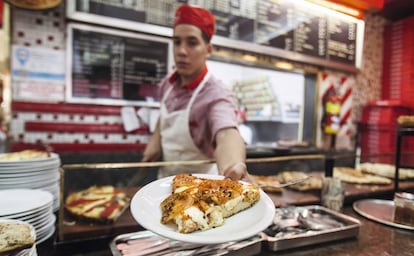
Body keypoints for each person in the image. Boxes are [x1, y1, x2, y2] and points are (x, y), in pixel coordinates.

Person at [142, 4, 248, 181]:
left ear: (208, 50)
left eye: (192, 42)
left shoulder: (216, 93)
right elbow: (164, 116)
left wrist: (233, 166)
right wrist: (155, 140)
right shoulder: (167, 85)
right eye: (177, 42)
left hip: (200, 190)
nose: (182, 51)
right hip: (164, 182)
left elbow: (226, 132)